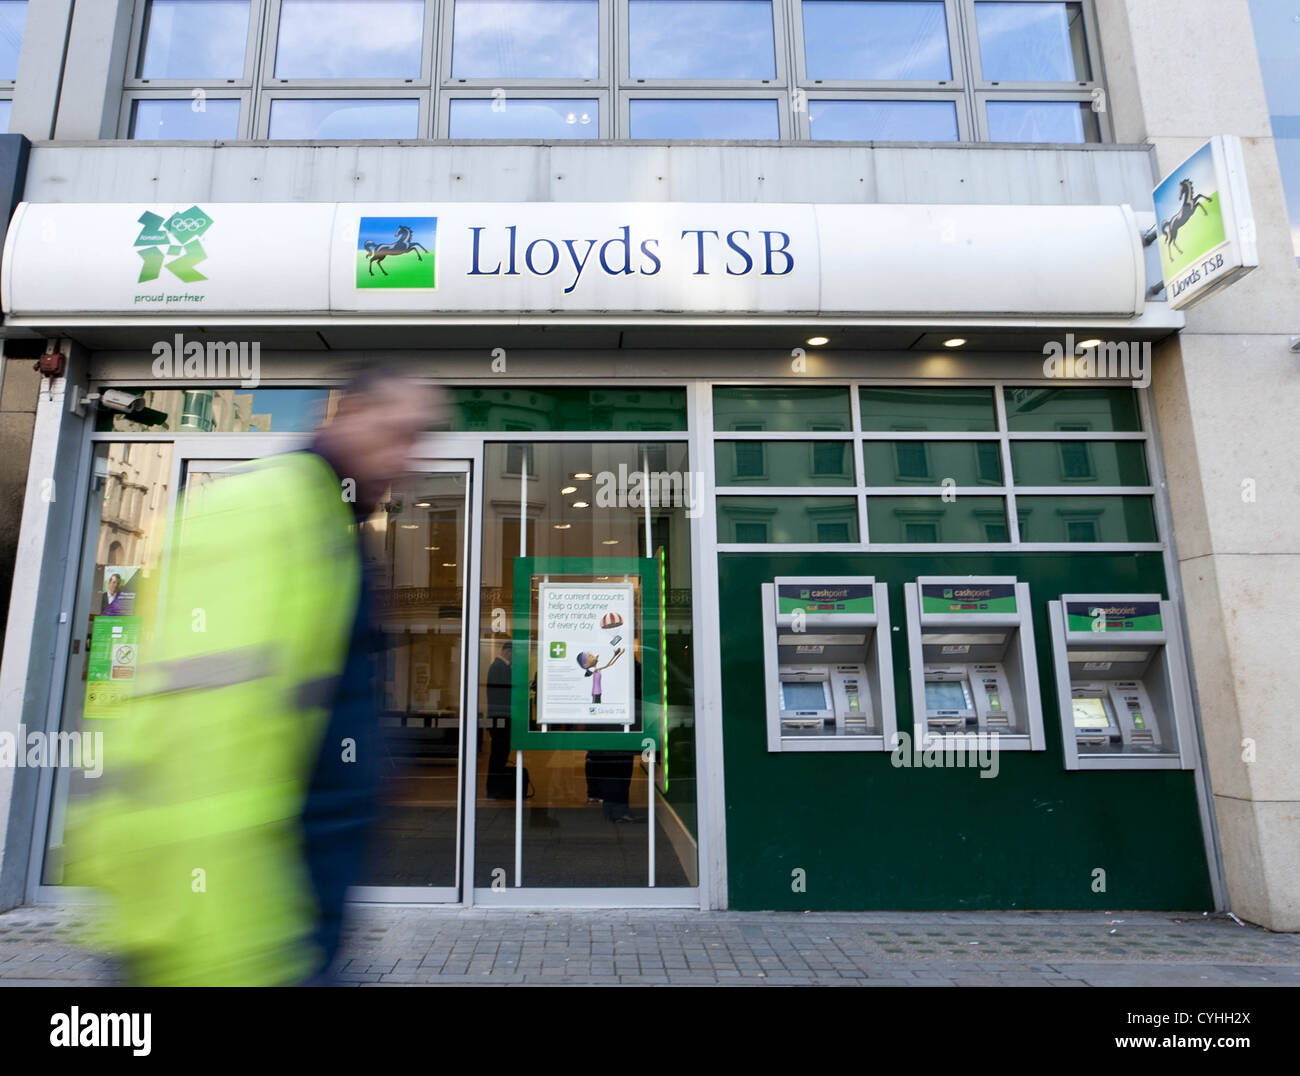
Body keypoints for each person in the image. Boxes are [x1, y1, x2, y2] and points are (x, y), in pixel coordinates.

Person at [66, 369, 443, 986]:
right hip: (231, 930)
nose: (407, 455)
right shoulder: (266, 513)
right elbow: (201, 735)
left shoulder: (332, 528)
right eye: (396, 432)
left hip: (290, 918)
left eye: (419, 438)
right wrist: (220, 936)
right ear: (347, 414)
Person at [484, 641, 514, 799]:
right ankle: (493, 789)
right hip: (501, 719)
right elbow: (505, 695)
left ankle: (496, 788)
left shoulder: (498, 667)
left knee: (499, 754)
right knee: (498, 755)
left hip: (500, 718)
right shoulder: (499, 668)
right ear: (508, 652)